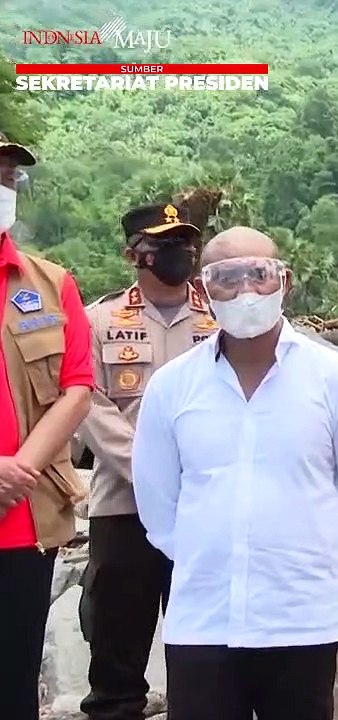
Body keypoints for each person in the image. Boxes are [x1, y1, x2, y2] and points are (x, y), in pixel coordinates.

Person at [130, 227, 338, 720]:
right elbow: (160, 508)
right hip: (204, 621)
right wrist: (210, 555)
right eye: (226, 277)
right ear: (204, 291)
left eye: (259, 274)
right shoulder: (171, 387)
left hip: (301, 620)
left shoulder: (334, 380)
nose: (245, 289)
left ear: (284, 282)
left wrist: (314, 557)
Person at [78, 203, 216, 720]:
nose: (179, 253)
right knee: (116, 646)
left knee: (203, 648)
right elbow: (86, 401)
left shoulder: (219, 315)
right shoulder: (99, 320)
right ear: (133, 253)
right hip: (124, 507)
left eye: (185, 242)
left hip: (203, 504)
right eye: (163, 244)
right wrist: (152, 471)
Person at [0, 130, 95, 720]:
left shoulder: (51, 284)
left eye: (8, 177)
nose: (4, 186)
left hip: (23, 521)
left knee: (13, 685)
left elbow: (77, 388)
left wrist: (18, 469)